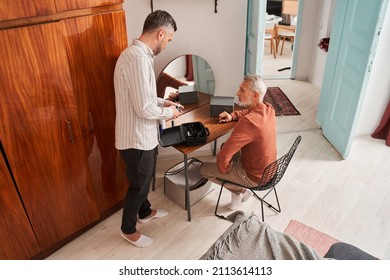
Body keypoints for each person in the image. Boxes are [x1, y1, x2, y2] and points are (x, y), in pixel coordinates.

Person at [114, 10, 182, 248]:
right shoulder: (137, 59)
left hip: (143, 136)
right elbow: (143, 108)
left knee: (143, 179)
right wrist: (169, 114)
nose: (167, 44)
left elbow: (144, 96)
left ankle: (144, 212)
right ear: (161, 33)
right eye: (169, 39)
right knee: (139, 185)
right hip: (136, 138)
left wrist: (164, 102)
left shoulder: (140, 56)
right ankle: (128, 229)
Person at [200, 75, 277, 210]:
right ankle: (238, 197)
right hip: (270, 171)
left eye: (242, 90)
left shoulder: (248, 122)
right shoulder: (268, 109)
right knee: (227, 148)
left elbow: (223, 157)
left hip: (254, 177)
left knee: (204, 169)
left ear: (255, 95)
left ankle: (242, 191)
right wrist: (233, 115)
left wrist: (224, 169)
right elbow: (249, 111)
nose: (237, 93)